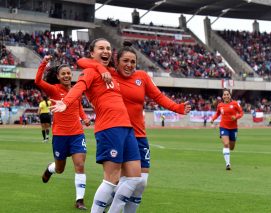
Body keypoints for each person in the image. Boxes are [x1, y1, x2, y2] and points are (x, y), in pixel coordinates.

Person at [77, 43, 191, 212]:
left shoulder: (142, 77)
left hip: (138, 134)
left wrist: (177, 107)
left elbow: (158, 96)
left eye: (133, 61)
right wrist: (101, 69)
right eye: (125, 61)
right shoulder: (110, 74)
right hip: (115, 131)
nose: (129, 65)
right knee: (119, 179)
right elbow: (82, 61)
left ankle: (113, 202)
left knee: (140, 182)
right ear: (117, 62)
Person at [50, 38, 142, 213]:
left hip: (126, 127)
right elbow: (80, 83)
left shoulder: (112, 72)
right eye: (101, 48)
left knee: (134, 178)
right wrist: (67, 102)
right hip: (109, 128)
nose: (106, 51)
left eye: (108, 48)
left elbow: (126, 68)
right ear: (92, 53)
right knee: (111, 179)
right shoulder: (90, 72)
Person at [35, 55, 91, 210]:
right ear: (58, 77)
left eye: (68, 73)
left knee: (79, 165)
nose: (67, 75)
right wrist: (44, 62)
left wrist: (85, 118)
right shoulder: (54, 90)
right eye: (63, 74)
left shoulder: (76, 91)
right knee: (60, 169)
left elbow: (78, 107)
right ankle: (50, 169)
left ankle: (79, 200)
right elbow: (38, 81)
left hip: (77, 134)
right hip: (60, 135)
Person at [211, 89, 243, 170]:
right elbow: (217, 113)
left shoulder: (235, 104)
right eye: (224, 94)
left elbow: (241, 113)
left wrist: (236, 117)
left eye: (227, 94)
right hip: (223, 126)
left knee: (231, 147)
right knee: (226, 144)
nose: (226, 96)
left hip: (233, 128)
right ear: (222, 96)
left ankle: (224, 139)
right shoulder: (220, 105)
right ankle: (228, 164)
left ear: (230, 95)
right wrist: (213, 119)